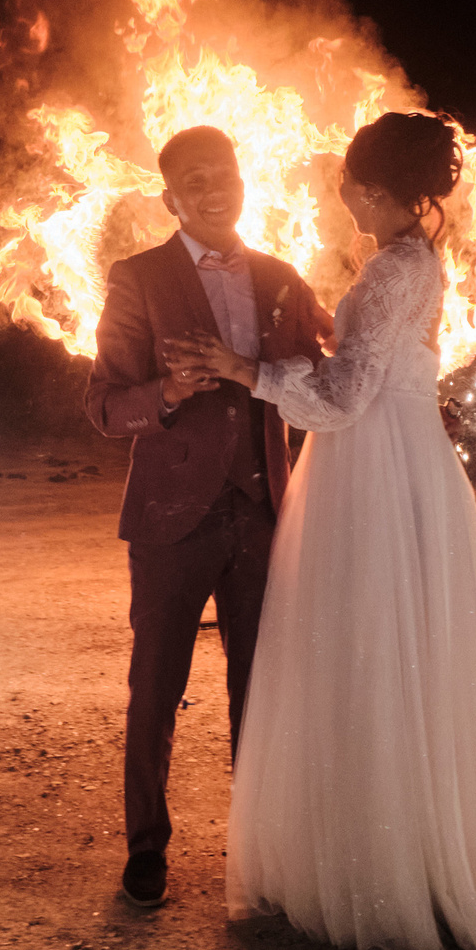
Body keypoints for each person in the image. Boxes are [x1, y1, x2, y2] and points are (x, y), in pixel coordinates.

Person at [171, 112, 476, 950]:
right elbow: (373, 360)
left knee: (373, 641)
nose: (346, 206)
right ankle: (416, 839)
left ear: (378, 189)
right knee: (407, 647)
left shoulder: (397, 267)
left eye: (351, 192)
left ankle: (393, 864)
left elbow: (344, 398)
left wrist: (241, 369)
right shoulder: (410, 262)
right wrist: (328, 332)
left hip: (375, 464)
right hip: (401, 459)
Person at [84, 126, 330, 909]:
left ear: (241, 180)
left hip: (262, 512)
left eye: (223, 172)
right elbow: (101, 405)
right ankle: (146, 850)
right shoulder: (138, 278)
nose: (213, 188)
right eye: (194, 179)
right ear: (171, 198)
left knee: (261, 690)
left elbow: (326, 375)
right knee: (155, 686)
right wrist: (164, 395)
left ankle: (259, 853)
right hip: (170, 517)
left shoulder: (282, 277)